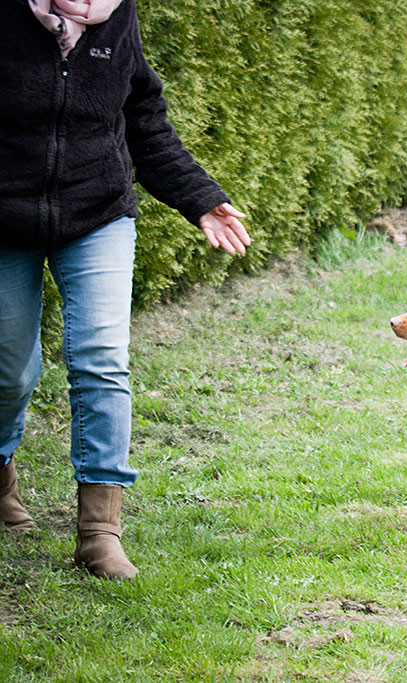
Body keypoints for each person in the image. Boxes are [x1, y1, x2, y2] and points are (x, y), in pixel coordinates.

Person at [0, 0, 251, 580]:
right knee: (9, 369)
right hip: (4, 218)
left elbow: (144, 117)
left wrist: (199, 197)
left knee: (101, 358)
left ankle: (98, 533)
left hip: (99, 212)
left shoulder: (117, 17)